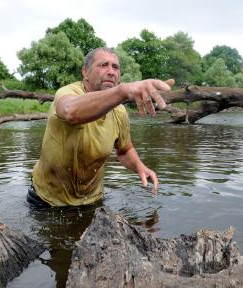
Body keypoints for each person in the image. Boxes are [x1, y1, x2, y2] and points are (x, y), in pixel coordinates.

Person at [28, 47, 173, 207]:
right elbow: (70, 112)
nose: (111, 72)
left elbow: (124, 149)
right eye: (104, 65)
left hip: (92, 200)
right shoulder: (68, 92)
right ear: (85, 72)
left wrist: (141, 168)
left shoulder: (119, 111)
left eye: (115, 67)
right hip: (46, 201)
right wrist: (123, 91)